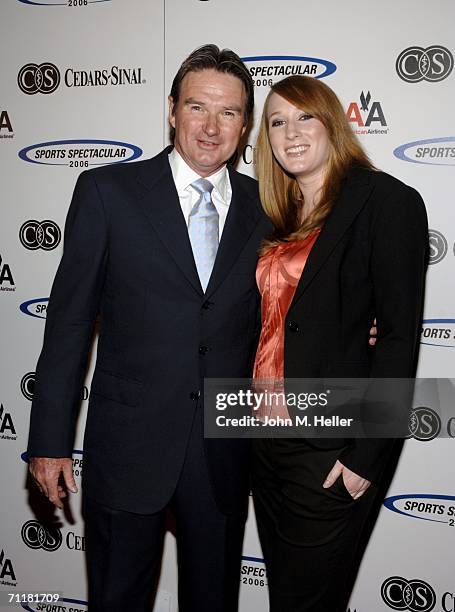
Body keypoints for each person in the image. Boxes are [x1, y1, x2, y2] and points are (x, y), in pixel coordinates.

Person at [27, 44, 272, 612]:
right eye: (196, 107)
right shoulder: (108, 193)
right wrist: (48, 441)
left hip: (224, 452)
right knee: (118, 599)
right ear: (171, 109)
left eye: (229, 112)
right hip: (128, 445)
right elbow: (66, 327)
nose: (211, 127)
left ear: (245, 122)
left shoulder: (269, 207)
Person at [251, 75, 428, 611]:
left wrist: (368, 457)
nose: (291, 132)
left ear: (333, 124)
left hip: (332, 446)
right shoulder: (270, 212)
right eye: (277, 122)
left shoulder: (387, 201)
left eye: (305, 116)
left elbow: (398, 338)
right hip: (260, 440)